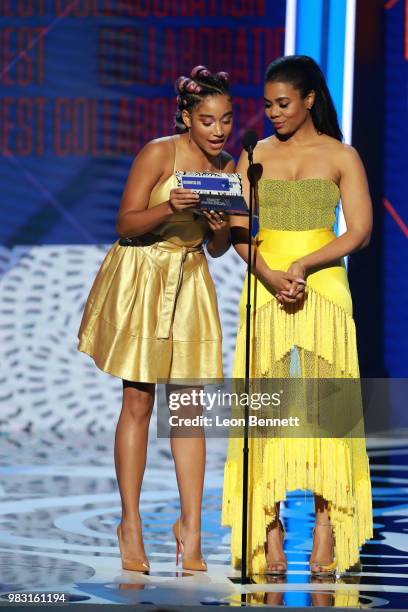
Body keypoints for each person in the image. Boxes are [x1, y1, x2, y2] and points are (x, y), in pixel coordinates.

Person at [78, 65, 234, 572]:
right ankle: (131, 522)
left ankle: (190, 528)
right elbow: (125, 222)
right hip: (143, 273)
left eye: (226, 119)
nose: (219, 130)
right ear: (187, 117)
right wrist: (169, 206)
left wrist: (216, 229)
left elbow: (217, 250)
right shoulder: (158, 152)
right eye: (208, 120)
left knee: (189, 409)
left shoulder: (227, 167)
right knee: (139, 402)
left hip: (189, 279)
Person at [222, 55, 373, 576]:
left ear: (309, 100)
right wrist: (267, 273)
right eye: (266, 106)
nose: (273, 114)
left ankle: (327, 527)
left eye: (283, 104)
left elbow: (359, 231)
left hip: (324, 287)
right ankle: (268, 529)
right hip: (264, 288)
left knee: (325, 411)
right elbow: (238, 232)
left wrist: (305, 265)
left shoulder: (341, 155)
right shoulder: (254, 154)